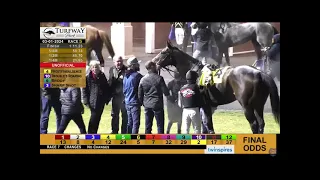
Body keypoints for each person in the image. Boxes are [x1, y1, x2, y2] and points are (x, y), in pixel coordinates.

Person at [138, 60, 170, 134]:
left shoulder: (142, 79)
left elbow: (140, 94)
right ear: (152, 67)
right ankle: (160, 141)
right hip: (157, 104)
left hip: (147, 104)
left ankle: (147, 141)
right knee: (160, 125)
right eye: (155, 66)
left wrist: (143, 103)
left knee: (148, 125)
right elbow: (166, 92)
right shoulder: (159, 78)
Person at [83, 60, 111, 134]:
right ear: (91, 68)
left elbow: (106, 88)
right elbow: (84, 90)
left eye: (96, 67)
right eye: (93, 67)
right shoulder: (88, 77)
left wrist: (107, 99)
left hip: (101, 101)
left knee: (98, 118)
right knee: (93, 117)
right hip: (92, 101)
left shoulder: (102, 76)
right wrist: (85, 101)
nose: (95, 69)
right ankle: (90, 133)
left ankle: (94, 132)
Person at [123, 57, 143, 134]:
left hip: (127, 102)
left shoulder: (125, 76)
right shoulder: (138, 76)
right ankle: (134, 140)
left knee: (130, 123)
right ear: (133, 65)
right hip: (135, 103)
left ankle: (128, 140)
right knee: (135, 123)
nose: (138, 65)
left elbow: (124, 90)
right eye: (137, 64)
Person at [108, 55, 128, 134]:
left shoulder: (126, 70)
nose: (119, 63)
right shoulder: (111, 69)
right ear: (114, 62)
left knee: (125, 115)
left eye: (120, 61)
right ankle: (114, 131)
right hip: (115, 97)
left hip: (124, 97)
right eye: (117, 61)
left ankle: (124, 131)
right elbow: (110, 82)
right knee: (114, 115)